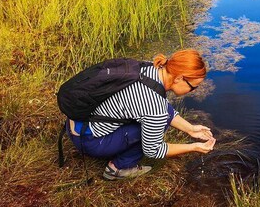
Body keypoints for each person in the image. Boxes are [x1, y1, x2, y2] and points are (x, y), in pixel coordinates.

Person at [66, 49, 216, 180]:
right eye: (193, 87)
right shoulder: (155, 107)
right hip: (90, 141)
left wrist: (190, 129)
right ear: (179, 78)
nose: (193, 91)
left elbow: (161, 107)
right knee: (159, 124)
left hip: (77, 123)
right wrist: (193, 147)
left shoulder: (149, 68)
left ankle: (115, 150)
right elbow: (154, 150)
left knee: (160, 116)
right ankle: (117, 169)